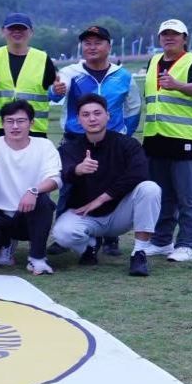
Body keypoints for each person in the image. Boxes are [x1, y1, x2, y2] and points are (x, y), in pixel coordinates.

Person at [48, 24, 141, 256]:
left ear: (109, 46)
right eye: (87, 43)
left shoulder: (123, 75)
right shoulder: (71, 72)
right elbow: (56, 93)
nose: (92, 47)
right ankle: (64, 235)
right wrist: (57, 90)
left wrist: (124, 136)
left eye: (97, 43)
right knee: (69, 186)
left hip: (111, 141)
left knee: (112, 185)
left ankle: (110, 237)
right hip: (76, 140)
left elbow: (133, 107)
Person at [51, 94, 161, 276]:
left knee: (150, 188)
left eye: (97, 113)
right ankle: (90, 246)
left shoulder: (127, 144)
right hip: (86, 214)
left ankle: (139, 253)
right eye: (86, 115)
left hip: (120, 213)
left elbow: (139, 173)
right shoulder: (68, 149)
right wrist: (78, 170)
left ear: (108, 116)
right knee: (62, 233)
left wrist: (103, 198)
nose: (92, 118)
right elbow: (60, 174)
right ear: (78, 119)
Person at [140, 19, 192, 263]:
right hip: (155, 138)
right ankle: (161, 241)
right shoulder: (153, 61)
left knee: (189, 196)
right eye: (165, 34)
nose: (169, 38)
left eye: (174, 34)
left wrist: (177, 85)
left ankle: (187, 244)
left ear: (184, 38)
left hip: (184, 139)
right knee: (161, 194)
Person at [0, 100, 61, 275]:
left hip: (28, 213)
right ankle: (3, 246)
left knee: (43, 201)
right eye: (9, 121)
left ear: (31, 123)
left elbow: (55, 179)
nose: (15, 126)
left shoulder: (44, 145)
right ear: (2, 123)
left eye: (21, 121)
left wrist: (33, 191)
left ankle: (37, 258)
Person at [0, 13, 57, 138]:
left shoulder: (43, 58)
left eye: (22, 28)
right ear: (3, 31)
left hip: (34, 128)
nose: (17, 32)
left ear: (31, 32)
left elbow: (53, 90)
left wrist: (57, 91)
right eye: (12, 28)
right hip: (0, 127)